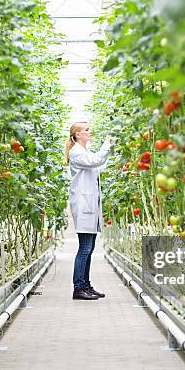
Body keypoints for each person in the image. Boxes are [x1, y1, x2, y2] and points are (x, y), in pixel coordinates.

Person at [65, 121, 114, 300]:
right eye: (86, 129)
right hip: (84, 205)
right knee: (85, 248)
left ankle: (86, 285)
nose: (89, 131)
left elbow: (98, 165)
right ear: (78, 134)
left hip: (90, 205)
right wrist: (107, 144)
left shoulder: (83, 152)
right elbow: (95, 161)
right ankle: (78, 288)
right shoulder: (76, 152)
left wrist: (113, 154)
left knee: (90, 247)